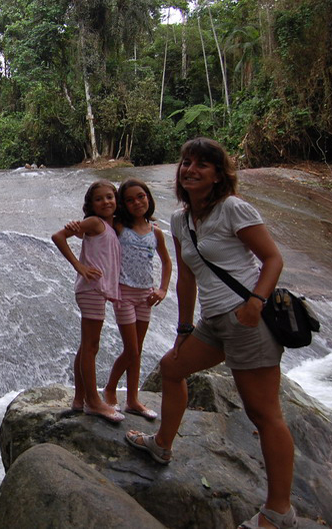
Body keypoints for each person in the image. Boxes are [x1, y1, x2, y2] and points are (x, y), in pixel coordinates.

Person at [125, 138, 296, 529]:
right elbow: (186, 277)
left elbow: (273, 258)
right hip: (212, 322)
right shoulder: (180, 220)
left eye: (203, 164)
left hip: (246, 320)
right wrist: (184, 327)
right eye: (186, 162)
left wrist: (255, 302)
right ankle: (162, 445)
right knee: (172, 367)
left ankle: (279, 511)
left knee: (264, 413)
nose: (190, 169)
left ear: (219, 174)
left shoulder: (233, 208)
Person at [52, 180, 125, 423]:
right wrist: (79, 265)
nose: (106, 202)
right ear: (91, 205)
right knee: (91, 346)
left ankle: (79, 399)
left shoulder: (109, 225)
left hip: (96, 289)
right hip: (91, 288)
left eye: (110, 197)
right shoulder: (95, 222)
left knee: (86, 346)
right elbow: (58, 236)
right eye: (99, 199)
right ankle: (93, 402)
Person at [102, 179, 172, 419]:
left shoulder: (156, 232)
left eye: (140, 196)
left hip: (145, 295)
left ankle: (133, 399)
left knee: (137, 349)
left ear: (148, 198)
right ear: (123, 204)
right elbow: (97, 224)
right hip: (124, 293)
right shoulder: (119, 226)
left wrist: (162, 289)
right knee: (131, 349)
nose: (137, 203)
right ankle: (110, 389)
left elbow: (166, 261)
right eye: (130, 200)